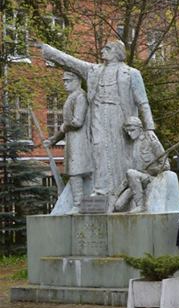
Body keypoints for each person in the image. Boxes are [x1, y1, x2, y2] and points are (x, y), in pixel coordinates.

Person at [39, 39, 155, 197]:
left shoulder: (131, 73)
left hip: (120, 116)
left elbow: (143, 102)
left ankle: (124, 192)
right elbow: (70, 62)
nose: (102, 51)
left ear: (117, 52)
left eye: (107, 48)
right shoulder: (93, 70)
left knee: (121, 152)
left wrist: (149, 128)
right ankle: (101, 191)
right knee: (99, 149)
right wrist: (47, 49)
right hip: (98, 116)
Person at [43, 71, 92, 211]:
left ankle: (78, 205)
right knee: (74, 171)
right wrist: (53, 140)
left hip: (81, 140)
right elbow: (66, 126)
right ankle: (80, 203)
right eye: (64, 81)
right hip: (72, 140)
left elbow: (77, 122)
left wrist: (64, 127)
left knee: (76, 171)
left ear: (78, 81)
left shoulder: (80, 97)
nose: (65, 84)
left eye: (68, 81)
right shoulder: (71, 97)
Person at [111, 116, 168, 213]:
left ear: (140, 129)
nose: (129, 134)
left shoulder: (152, 142)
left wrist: (150, 170)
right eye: (127, 131)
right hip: (136, 181)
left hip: (150, 178)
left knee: (131, 173)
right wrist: (117, 191)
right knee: (118, 206)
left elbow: (166, 165)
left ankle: (140, 205)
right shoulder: (131, 146)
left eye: (132, 130)